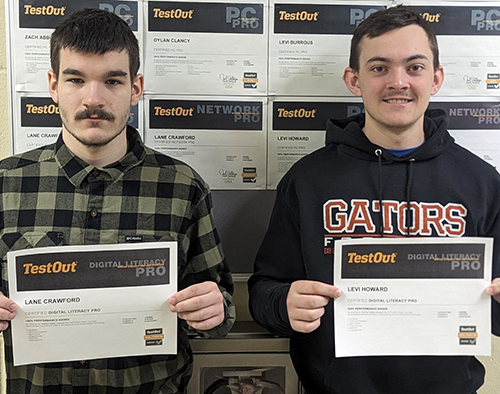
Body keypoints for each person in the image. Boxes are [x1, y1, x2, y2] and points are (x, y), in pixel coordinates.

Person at [248, 5, 500, 394]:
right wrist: (284, 304)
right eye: (379, 67)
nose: (398, 82)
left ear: (436, 79)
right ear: (354, 79)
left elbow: (494, 316)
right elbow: (263, 292)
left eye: (414, 67)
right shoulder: (308, 179)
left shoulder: (481, 183)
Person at [0, 8, 235, 393]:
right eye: (76, 79)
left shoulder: (182, 186)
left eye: (112, 80)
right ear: (53, 86)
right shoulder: (6, 184)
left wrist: (213, 310)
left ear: (136, 88)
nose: (94, 99)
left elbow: (222, 309)